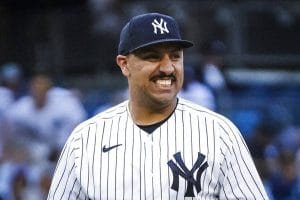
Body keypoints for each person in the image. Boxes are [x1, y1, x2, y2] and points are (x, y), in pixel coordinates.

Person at [47, 13, 268, 199]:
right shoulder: (85, 140)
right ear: (124, 64)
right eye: (153, 57)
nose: (167, 68)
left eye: (175, 56)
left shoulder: (220, 133)